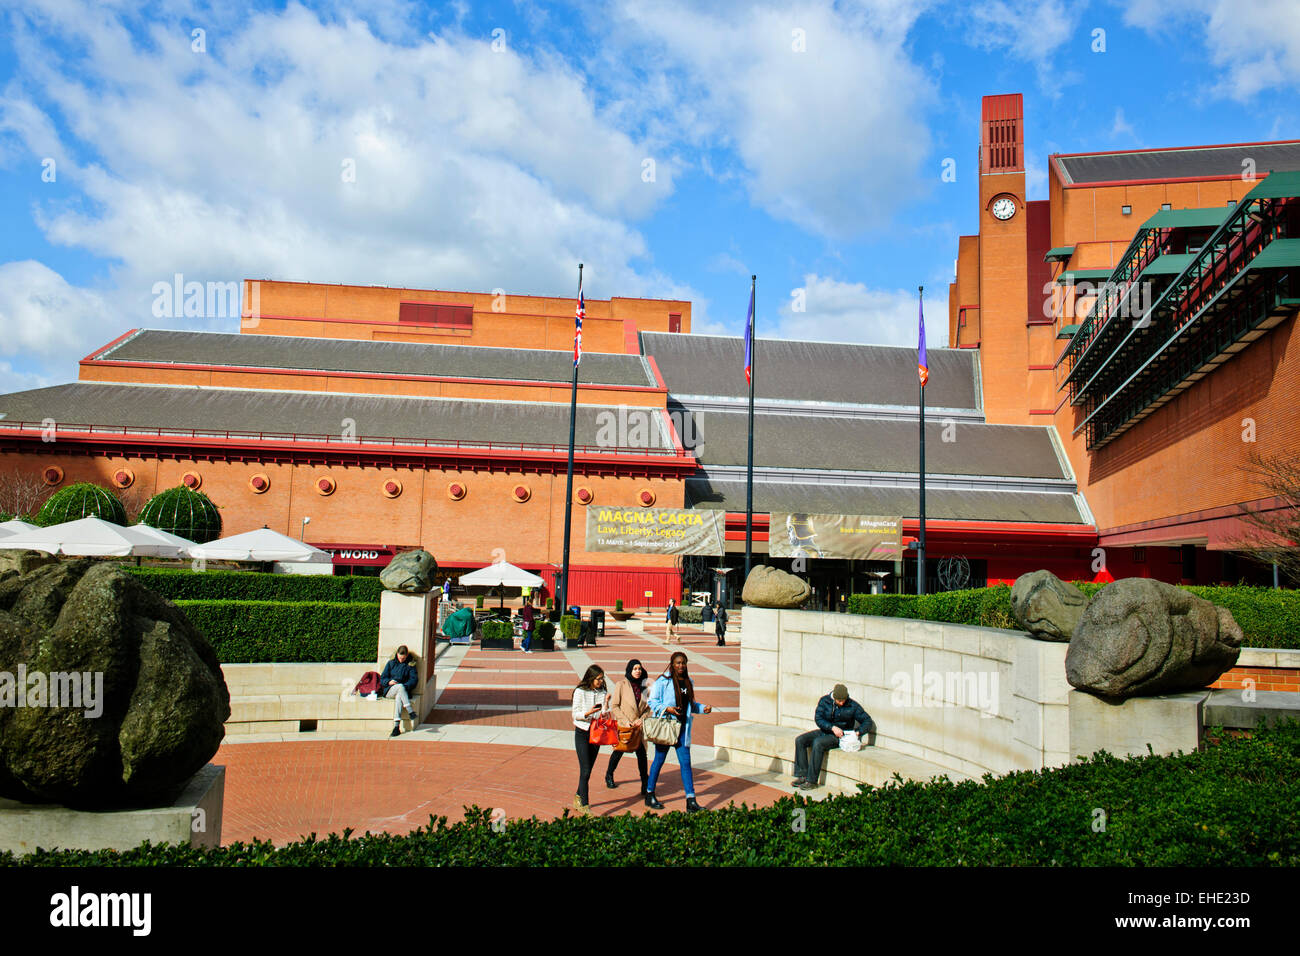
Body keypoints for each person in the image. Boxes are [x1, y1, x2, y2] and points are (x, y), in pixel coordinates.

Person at [644, 652, 713, 812]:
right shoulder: (663, 681)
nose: (681, 666)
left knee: (686, 764)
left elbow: (691, 705)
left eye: (683, 663)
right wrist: (667, 708)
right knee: (659, 761)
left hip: (682, 729)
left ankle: (691, 800)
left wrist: (703, 708)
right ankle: (649, 793)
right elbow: (652, 701)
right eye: (678, 663)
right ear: (672, 664)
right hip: (667, 728)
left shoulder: (689, 682)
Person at [792, 683, 874, 790]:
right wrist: (832, 727)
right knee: (800, 740)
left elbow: (867, 721)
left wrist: (857, 732)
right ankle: (802, 775)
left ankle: (811, 781)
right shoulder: (824, 701)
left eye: (843, 700)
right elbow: (818, 718)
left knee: (818, 743)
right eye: (839, 701)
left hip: (840, 737)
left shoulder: (852, 705)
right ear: (834, 697)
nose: (842, 703)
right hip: (825, 730)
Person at [604, 659, 651, 794]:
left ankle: (644, 783)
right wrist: (625, 721)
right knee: (619, 751)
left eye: (639, 669)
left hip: (638, 727)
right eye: (635, 669)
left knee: (642, 754)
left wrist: (642, 719)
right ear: (630, 670)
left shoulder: (645, 687)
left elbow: (648, 708)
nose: (638, 671)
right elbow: (615, 706)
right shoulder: (622, 684)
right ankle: (609, 774)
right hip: (625, 726)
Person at [570, 664, 609, 814]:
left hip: (596, 733)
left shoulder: (603, 692)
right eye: (598, 679)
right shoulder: (580, 691)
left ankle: (578, 796)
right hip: (582, 732)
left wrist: (605, 707)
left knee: (588, 770)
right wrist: (588, 713)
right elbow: (575, 714)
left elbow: (602, 713)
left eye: (602, 679)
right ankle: (585, 805)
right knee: (585, 769)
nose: (600, 681)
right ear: (590, 678)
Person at [380, 645, 419, 737]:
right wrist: (389, 682)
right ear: (397, 654)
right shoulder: (391, 663)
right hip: (390, 690)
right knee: (399, 687)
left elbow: (414, 680)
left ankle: (396, 727)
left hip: (403, 691)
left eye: (403, 658)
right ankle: (410, 711)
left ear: (406, 656)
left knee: (399, 696)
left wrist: (404, 687)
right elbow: (382, 678)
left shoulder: (410, 665)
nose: (401, 660)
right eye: (400, 658)